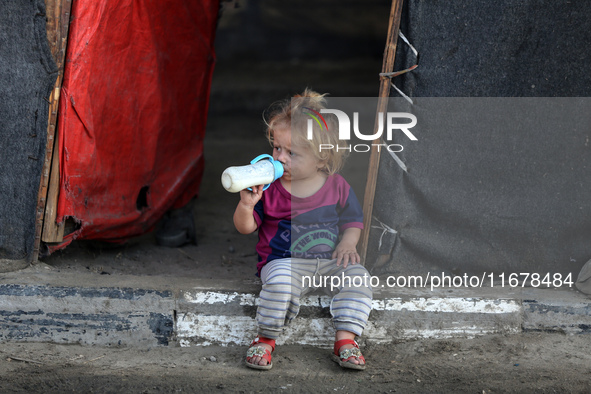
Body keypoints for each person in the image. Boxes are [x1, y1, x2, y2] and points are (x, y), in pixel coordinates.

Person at [232, 89, 373, 371]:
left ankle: (346, 340)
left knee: (359, 278)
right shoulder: (267, 189)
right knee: (280, 283)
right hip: (284, 262)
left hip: (331, 261)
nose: (280, 158)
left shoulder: (337, 185)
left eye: (292, 153)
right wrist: (247, 205)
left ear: (322, 159)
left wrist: (348, 243)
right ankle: (265, 339)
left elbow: (352, 220)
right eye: (276, 148)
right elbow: (245, 228)